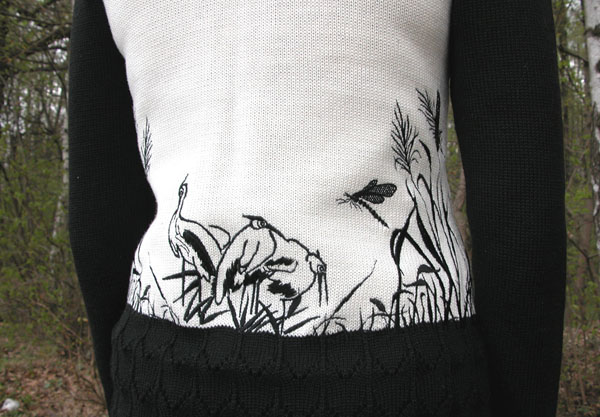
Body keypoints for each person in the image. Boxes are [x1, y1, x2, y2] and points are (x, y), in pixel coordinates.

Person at [67, 0, 567, 416]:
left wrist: (134, 374)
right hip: (407, 379)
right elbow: (521, 200)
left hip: (164, 378)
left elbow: (101, 209)